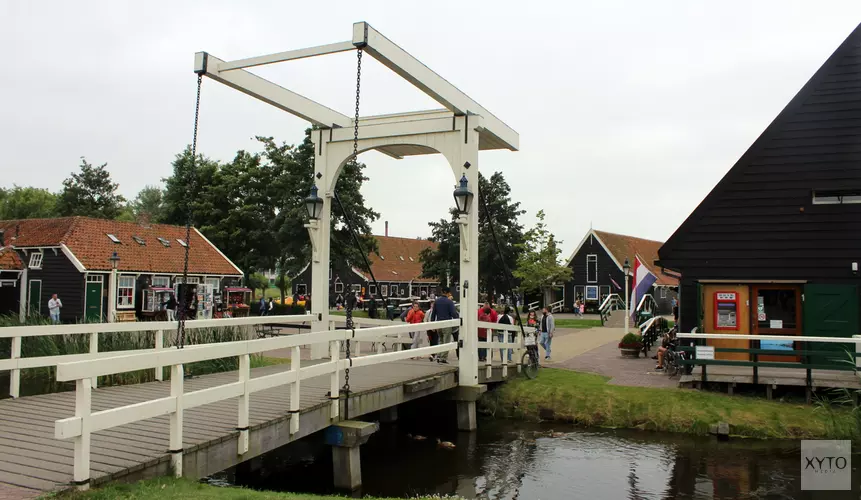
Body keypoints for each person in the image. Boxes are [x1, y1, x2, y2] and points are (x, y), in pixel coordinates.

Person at [430, 287, 459, 363]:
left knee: (440, 340)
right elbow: (453, 313)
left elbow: (433, 314)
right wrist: (458, 319)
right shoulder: (449, 302)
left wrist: (432, 324)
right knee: (446, 341)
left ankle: (439, 356)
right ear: (448, 293)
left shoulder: (437, 301)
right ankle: (443, 358)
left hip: (439, 323)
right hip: (447, 323)